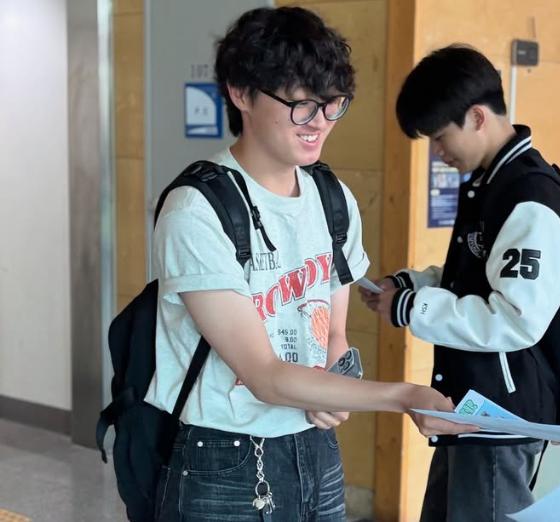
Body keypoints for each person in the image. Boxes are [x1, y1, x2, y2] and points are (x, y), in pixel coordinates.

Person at [147, 8, 473, 522]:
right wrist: (405, 396)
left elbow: (332, 333)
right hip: (224, 459)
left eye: (332, 104)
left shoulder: (332, 197)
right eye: (302, 105)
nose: (320, 122)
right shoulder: (197, 210)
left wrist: (335, 382)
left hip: (315, 451)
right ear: (241, 93)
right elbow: (264, 375)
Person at [360, 45, 560, 521]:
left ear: (478, 117)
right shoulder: (491, 184)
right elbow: (475, 279)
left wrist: (413, 307)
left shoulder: (529, 197)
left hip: (501, 420)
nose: (438, 152)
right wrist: (408, 285)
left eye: (441, 137)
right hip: (471, 409)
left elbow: (515, 319)